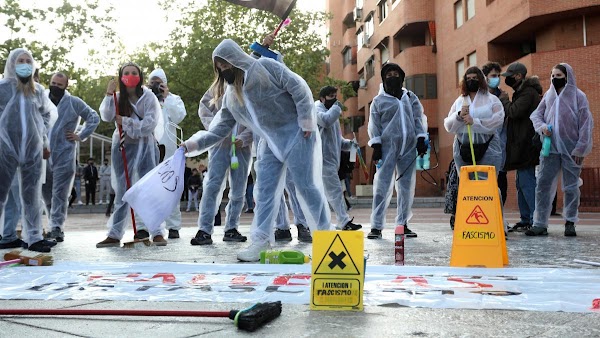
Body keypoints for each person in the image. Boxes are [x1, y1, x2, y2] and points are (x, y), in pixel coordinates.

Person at [182, 39, 331, 261]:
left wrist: (306, 120)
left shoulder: (266, 67)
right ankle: (260, 241)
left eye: (225, 65)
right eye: (219, 68)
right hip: (269, 142)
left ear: (235, 59)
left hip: (297, 134)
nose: (224, 71)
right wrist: (192, 145)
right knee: (264, 192)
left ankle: (326, 238)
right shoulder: (231, 98)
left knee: (305, 186)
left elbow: (297, 87)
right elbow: (218, 129)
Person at [96, 62, 165, 248]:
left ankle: (157, 231)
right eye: (126, 73)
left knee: (149, 189)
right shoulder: (117, 98)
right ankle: (114, 233)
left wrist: (125, 121)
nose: (130, 75)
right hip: (123, 147)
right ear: (121, 77)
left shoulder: (148, 97)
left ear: (140, 76)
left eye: (134, 72)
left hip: (146, 148)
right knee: (122, 191)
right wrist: (109, 95)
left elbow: (149, 124)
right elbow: (107, 115)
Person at [0, 48, 58, 252]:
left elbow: (48, 114)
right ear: (12, 64)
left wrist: (43, 141)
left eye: (28, 60)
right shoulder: (2, 88)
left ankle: (34, 238)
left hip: (32, 150)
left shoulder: (38, 90)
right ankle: (6, 236)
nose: (25, 64)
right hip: (5, 149)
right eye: (20, 60)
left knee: (31, 194)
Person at [527, 63, 593, 236]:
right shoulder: (549, 95)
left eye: (558, 75)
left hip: (572, 149)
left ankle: (570, 221)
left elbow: (586, 124)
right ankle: (540, 223)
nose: (554, 79)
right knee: (542, 184)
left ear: (567, 76)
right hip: (550, 148)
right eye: (552, 75)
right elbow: (536, 115)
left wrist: (581, 148)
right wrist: (542, 127)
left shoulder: (579, 96)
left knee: (571, 187)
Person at [367, 63, 427, 239]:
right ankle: (376, 227)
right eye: (388, 74)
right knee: (382, 186)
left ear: (402, 77)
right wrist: (376, 146)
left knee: (406, 187)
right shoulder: (378, 101)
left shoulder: (410, 97)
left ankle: (402, 224)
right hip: (386, 149)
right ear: (383, 78)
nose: (392, 77)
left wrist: (421, 137)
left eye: (396, 74)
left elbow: (418, 118)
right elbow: (374, 125)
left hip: (408, 148)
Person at [188, 85, 253, 246]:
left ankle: (231, 227)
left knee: (239, 188)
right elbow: (204, 110)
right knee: (212, 186)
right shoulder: (216, 89)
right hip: (219, 146)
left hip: (241, 149)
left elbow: (256, 120)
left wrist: (244, 138)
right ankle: (204, 229)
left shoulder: (249, 88)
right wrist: (216, 130)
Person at [40, 72, 100, 242]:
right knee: (46, 193)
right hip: (42, 153)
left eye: (60, 84)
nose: (55, 87)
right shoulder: (40, 98)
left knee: (60, 192)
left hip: (63, 154)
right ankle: (53, 224)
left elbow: (93, 117)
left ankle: (57, 227)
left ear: (66, 86)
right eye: (53, 83)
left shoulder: (73, 102)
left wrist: (80, 135)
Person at [443, 67, 505, 212]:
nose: (472, 81)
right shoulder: (459, 101)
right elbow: (448, 125)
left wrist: (475, 122)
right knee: (467, 186)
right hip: (463, 147)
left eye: (475, 78)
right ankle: (471, 223)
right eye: (468, 78)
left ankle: (496, 223)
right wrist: (458, 116)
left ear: (481, 80)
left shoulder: (492, 100)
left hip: (488, 147)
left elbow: (498, 120)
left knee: (488, 186)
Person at [499, 62, 543, 232]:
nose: (506, 79)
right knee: (520, 182)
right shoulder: (521, 92)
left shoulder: (528, 93)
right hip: (521, 145)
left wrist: (504, 100)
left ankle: (534, 219)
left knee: (527, 182)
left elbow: (513, 111)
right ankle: (526, 219)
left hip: (527, 145)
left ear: (518, 76)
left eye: (509, 76)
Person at [148, 68, 187, 239]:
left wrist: (166, 98)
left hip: (168, 152)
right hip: (148, 151)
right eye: (153, 82)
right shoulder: (144, 99)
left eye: (159, 82)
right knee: (147, 188)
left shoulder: (174, 99)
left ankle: (173, 227)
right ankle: (147, 226)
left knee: (171, 188)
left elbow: (178, 117)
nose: (156, 85)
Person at [315, 86, 361, 231]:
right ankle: (344, 221)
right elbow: (326, 121)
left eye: (336, 96)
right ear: (322, 98)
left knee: (329, 194)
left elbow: (338, 141)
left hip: (332, 161)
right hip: (323, 161)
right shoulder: (317, 110)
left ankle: (326, 224)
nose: (335, 100)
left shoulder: (332, 114)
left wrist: (350, 144)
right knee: (335, 192)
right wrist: (336, 108)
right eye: (331, 97)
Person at [482, 61, 508, 206]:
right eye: (493, 75)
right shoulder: (479, 96)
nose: (497, 78)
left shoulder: (503, 96)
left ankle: (499, 216)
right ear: (485, 77)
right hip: (483, 144)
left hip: (500, 144)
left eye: (498, 75)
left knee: (500, 180)